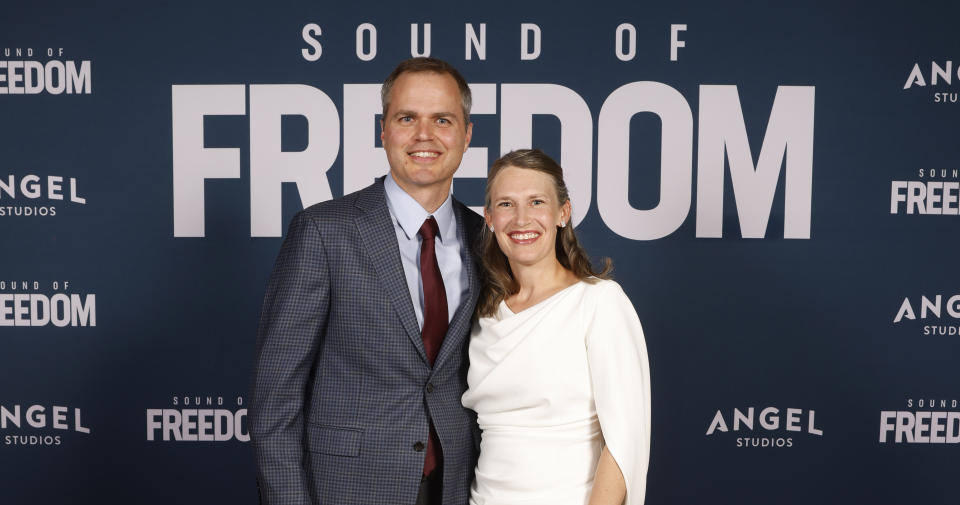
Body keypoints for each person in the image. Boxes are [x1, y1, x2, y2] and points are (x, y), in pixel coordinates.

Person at [250, 57, 484, 505]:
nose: (424, 135)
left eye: (442, 119)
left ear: (466, 134)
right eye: (406, 118)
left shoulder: (485, 239)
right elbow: (275, 400)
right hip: (347, 489)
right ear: (383, 130)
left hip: (458, 487)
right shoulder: (323, 232)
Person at [461, 149, 651, 505]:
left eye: (536, 202)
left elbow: (624, 442)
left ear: (563, 213)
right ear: (488, 218)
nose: (521, 219)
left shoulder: (599, 302)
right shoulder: (483, 314)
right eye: (505, 204)